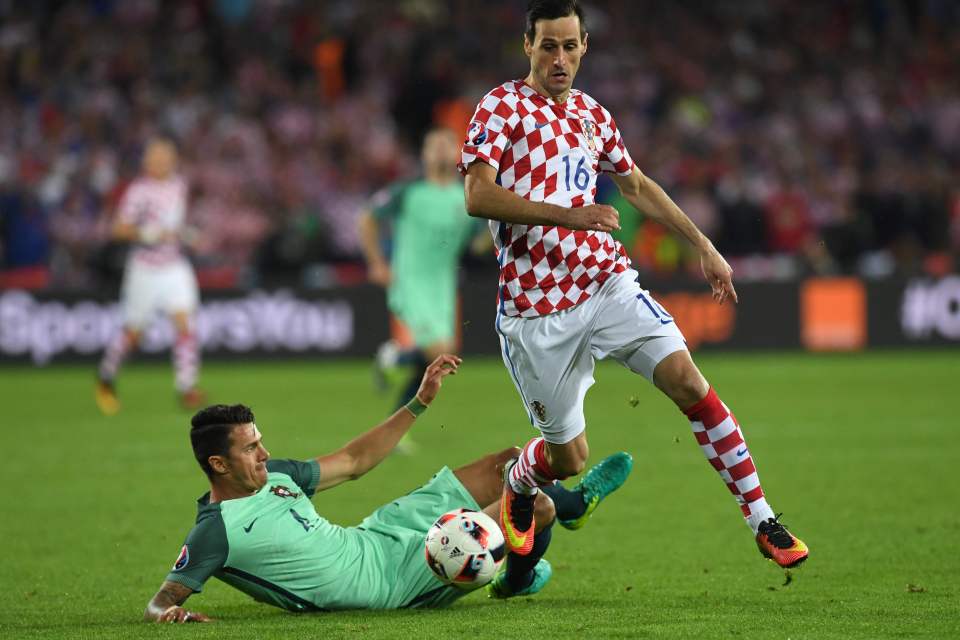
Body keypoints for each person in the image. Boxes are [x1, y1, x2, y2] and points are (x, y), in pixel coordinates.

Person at [458, 0, 808, 569]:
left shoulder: (593, 115)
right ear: (528, 45)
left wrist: (704, 245)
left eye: (570, 46)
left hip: (605, 283)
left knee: (689, 384)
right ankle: (520, 486)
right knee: (568, 459)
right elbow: (478, 197)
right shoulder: (500, 107)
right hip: (536, 310)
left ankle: (763, 518)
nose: (560, 58)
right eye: (549, 45)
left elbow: (637, 185)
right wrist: (570, 215)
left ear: (585, 47)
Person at [143, 354, 633, 622]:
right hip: (391, 584)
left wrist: (418, 403)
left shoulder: (278, 478)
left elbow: (354, 462)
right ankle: (519, 576)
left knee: (508, 462)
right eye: (250, 449)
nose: (264, 454)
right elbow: (160, 602)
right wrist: (170, 616)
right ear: (217, 464)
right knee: (534, 504)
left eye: (260, 442)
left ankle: (577, 507)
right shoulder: (216, 531)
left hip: (379, 535)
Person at [359, 127, 487, 418]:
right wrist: (377, 263)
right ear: (424, 155)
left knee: (442, 359)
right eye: (435, 145)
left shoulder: (466, 196)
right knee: (438, 351)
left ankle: (395, 410)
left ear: (458, 152)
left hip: (443, 283)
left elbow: (478, 247)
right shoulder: (407, 191)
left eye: (447, 144)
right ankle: (393, 359)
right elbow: (367, 218)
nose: (441, 150)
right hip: (411, 279)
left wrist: (495, 230)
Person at [95, 138, 204, 414]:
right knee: (133, 333)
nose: (160, 163)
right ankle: (106, 375)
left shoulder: (179, 185)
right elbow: (118, 229)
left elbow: (173, 227)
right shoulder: (138, 191)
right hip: (145, 268)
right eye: (155, 158)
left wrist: (188, 235)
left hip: (174, 265)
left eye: (165, 157)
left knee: (184, 323)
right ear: (147, 162)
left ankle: (186, 388)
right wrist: (148, 233)